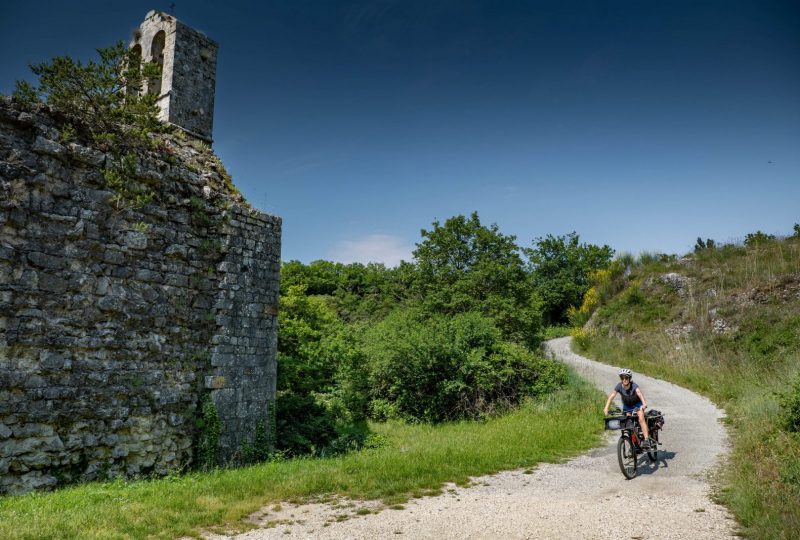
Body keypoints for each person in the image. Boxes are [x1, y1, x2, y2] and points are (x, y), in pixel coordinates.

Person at [603, 368, 654, 448]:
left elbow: (639, 393)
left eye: (626, 378)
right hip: (627, 407)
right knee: (629, 423)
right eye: (622, 378)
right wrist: (606, 408)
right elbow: (612, 396)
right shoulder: (619, 386)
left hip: (637, 405)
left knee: (641, 417)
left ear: (629, 378)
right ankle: (634, 444)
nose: (624, 380)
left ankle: (647, 439)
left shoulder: (634, 386)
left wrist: (644, 404)